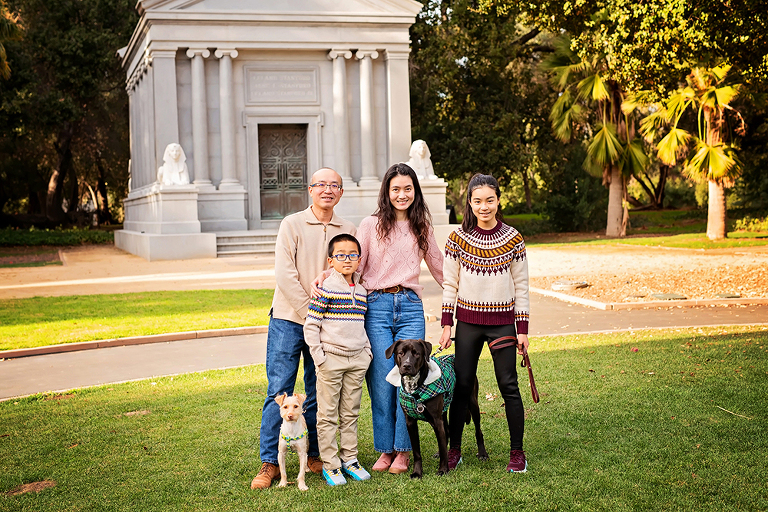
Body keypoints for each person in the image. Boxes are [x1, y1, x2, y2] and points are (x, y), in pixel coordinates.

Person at [252, 168, 356, 490]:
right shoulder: (291, 224)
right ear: (310, 189)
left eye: (334, 185)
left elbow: (351, 271)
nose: (328, 189)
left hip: (327, 326)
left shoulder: (348, 228)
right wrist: (311, 312)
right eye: (321, 184)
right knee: (278, 389)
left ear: (340, 192)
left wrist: (325, 317)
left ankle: (311, 455)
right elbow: (284, 275)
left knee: (317, 392)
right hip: (288, 318)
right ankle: (270, 462)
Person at [343, 163, 444, 474]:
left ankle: (403, 451)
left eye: (408, 189)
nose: (402, 194)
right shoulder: (370, 225)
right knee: (381, 380)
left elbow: (440, 267)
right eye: (396, 189)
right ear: (387, 191)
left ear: (415, 191)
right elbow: (355, 268)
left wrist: (463, 298)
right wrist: (332, 281)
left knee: (408, 380)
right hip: (377, 306)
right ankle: (385, 449)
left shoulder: (422, 226)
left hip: (411, 306)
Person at [438, 173, 531, 473]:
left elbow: (522, 286)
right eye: (477, 201)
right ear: (470, 203)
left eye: (490, 200)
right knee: (462, 386)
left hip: (503, 324)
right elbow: (449, 283)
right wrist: (446, 324)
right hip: (467, 323)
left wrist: (523, 330)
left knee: (509, 385)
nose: (484, 206)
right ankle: (455, 450)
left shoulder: (513, 238)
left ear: (498, 201)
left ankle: (517, 453)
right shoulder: (457, 240)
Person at [304, 234, 373, 487]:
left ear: (359, 259)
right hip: (330, 360)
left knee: (351, 413)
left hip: (357, 360)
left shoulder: (363, 291)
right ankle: (331, 465)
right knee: (328, 415)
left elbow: (361, 325)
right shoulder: (325, 288)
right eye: (341, 255)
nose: (347, 259)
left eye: (353, 255)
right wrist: (320, 358)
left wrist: (366, 352)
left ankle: (350, 459)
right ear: (330, 260)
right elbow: (311, 325)